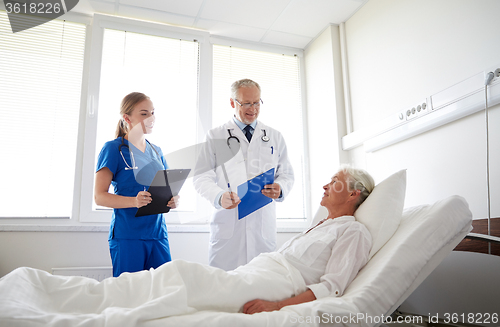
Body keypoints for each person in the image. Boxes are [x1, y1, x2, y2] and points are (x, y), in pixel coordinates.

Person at [0, 166, 375, 325]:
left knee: (180, 276)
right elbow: (206, 182)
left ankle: (73, 307)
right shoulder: (322, 224)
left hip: (277, 283)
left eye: (334, 182)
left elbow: (331, 287)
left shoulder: (352, 232)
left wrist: (277, 307)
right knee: (172, 275)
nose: (325, 186)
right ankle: (58, 295)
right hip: (259, 267)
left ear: (355, 193)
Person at [193, 78, 295, 271]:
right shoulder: (216, 136)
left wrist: (280, 188)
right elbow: (201, 177)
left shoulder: (274, 136)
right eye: (246, 103)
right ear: (232, 103)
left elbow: (287, 174)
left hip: (261, 227)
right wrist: (218, 196)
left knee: (262, 285)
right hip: (228, 226)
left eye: (257, 102)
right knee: (224, 288)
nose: (253, 108)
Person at [94, 92, 179, 277]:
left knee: (165, 288)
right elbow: (99, 196)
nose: (151, 118)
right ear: (127, 118)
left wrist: (173, 200)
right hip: (128, 236)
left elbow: (167, 189)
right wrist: (134, 201)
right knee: (129, 294)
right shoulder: (113, 149)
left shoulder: (156, 151)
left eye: (152, 112)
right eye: (144, 113)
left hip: (157, 234)